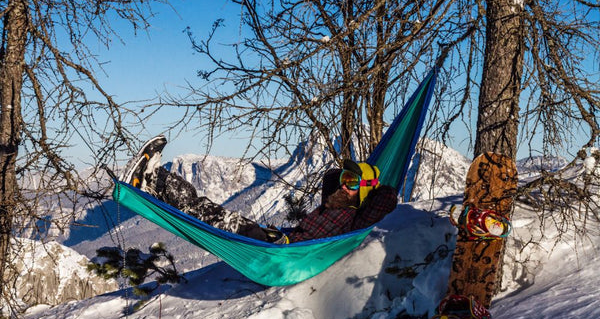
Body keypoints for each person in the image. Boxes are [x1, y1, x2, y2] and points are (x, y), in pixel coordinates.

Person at [120, 135, 398, 244]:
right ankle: (157, 180)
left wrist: (371, 186)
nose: (343, 185)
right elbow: (330, 176)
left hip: (282, 253)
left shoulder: (356, 217)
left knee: (213, 217)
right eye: (345, 179)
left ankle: (155, 182)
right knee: (208, 210)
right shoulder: (334, 202)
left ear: (364, 192)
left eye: (351, 182)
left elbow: (386, 198)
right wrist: (350, 182)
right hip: (275, 241)